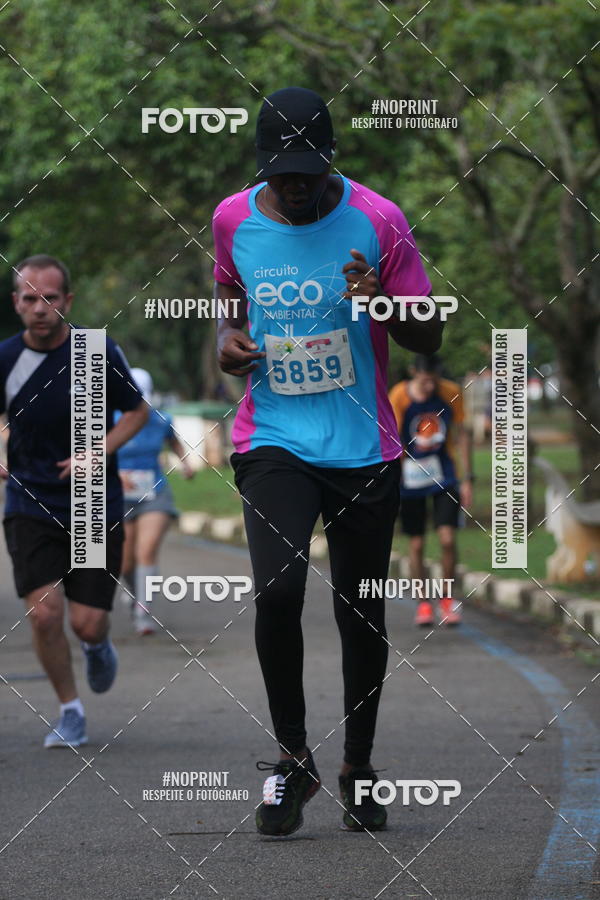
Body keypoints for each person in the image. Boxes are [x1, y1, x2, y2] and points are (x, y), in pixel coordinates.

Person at [212, 87, 443, 836]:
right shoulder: (231, 219)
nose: (297, 187)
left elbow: (428, 337)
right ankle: (293, 762)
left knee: (359, 609)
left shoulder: (379, 220)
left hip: (362, 446)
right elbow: (228, 294)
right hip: (272, 435)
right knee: (277, 594)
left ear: (330, 161)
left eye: (309, 173)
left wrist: (382, 302)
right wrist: (228, 342)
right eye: (283, 176)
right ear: (262, 170)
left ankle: (359, 768)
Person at [0, 255, 147, 748]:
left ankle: (98, 644)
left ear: (68, 300)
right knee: (44, 614)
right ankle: (70, 711)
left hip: (91, 499)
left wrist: (97, 450)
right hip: (28, 497)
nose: (39, 308)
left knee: (86, 622)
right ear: (16, 303)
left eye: (49, 298)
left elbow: (137, 411)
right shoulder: (5, 358)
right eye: (28, 298)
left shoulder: (94, 349)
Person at [388, 354, 473, 627]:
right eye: (424, 382)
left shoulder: (451, 392)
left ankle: (447, 599)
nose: (428, 388)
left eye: (433, 381)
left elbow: (461, 434)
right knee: (416, 543)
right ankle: (423, 602)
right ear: (414, 373)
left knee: (447, 539)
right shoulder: (399, 395)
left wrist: (467, 478)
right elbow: (393, 439)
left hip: (444, 476)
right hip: (410, 479)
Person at [117, 367, 194, 635]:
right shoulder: (108, 419)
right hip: (118, 497)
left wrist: (185, 463)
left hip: (155, 492)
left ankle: (143, 614)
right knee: (124, 562)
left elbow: (174, 442)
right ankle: (135, 591)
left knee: (146, 551)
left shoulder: (160, 418)